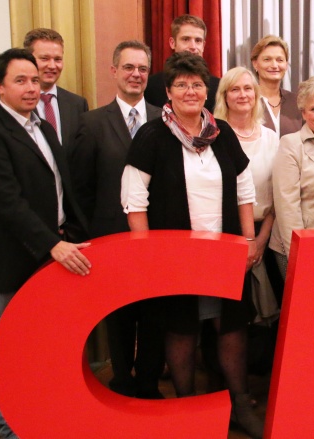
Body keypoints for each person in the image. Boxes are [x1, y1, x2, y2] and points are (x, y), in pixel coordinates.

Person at [121, 52, 263, 437]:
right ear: (168, 91)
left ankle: (239, 404)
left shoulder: (222, 133)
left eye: (197, 84)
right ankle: (187, 408)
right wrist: (147, 254)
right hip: (175, 257)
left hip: (224, 252)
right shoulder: (152, 136)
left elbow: (245, 189)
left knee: (231, 326)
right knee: (181, 328)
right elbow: (134, 199)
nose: (190, 91)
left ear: (206, 91)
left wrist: (248, 240)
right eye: (181, 84)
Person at [0, 48, 91, 439]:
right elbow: (7, 201)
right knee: (12, 344)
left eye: (35, 81)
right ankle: (8, 424)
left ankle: (40, 412)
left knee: (46, 342)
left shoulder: (42, 126)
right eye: (20, 81)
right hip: (13, 257)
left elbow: (63, 186)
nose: (31, 88)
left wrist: (73, 233)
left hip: (55, 248)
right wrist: (50, 244)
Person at [70, 40, 164, 399]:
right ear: (114, 71)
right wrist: (92, 235)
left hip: (158, 237)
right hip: (111, 238)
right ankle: (122, 380)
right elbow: (81, 188)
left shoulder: (165, 118)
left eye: (142, 68)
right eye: (128, 67)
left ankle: (149, 383)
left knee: (155, 312)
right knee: (119, 315)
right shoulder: (91, 123)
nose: (136, 74)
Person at [214, 66, 280, 314]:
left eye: (248, 88)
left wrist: (260, 240)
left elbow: (278, 194)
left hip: (267, 234)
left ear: (256, 94)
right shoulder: (214, 137)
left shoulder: (271, 138)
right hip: (227, 236)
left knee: (268, 317)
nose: (242, 95)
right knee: (231, 313)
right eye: (235, 89)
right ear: (224, 96)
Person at [270, 76, 314, 279]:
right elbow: (287, 207)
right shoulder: (291, 145)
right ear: (303, 113)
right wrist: (299, 253)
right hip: (303, 245)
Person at [0, 28, 89, 147]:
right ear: (29, 60)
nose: (52, 66)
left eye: (57, 59)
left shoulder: (77, 104)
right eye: (44, 58)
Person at [144, 14, 220, 112]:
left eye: (198, 41)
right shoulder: (150, 85)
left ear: (203, 45)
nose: (193, 46)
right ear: (172, 43)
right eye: (186, 39)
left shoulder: (219, 87)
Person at [250, 35, 302, 137]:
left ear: (286, 65)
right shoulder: (247, 101)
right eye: (267, 59)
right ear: (255, 63)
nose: (274, 65)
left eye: (280, 60)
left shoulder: (298, 102)